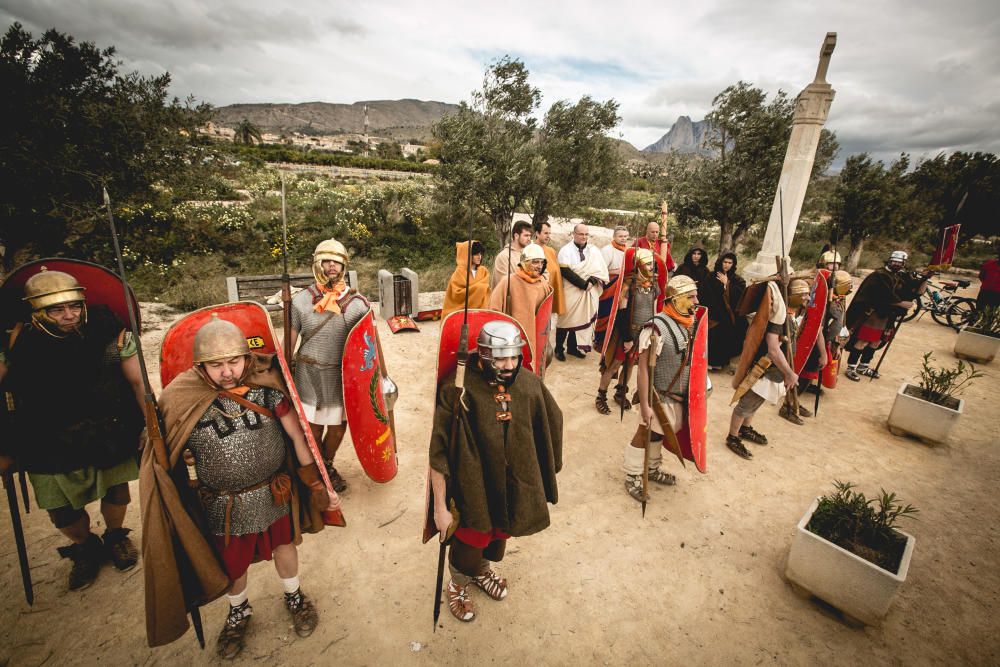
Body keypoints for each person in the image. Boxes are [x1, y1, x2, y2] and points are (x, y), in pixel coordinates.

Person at [149, 316, 338, 658]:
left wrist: (313, 481)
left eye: (234, 361)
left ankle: (293, 594)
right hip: (223, 503)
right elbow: (164, 454)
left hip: (273, 491)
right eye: (216, 365)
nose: (227, 372)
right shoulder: (181, 398)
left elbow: (297, 436)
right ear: (199, 365)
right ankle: (238, 610)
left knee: (284, 546)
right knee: (232, 565)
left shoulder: (267, 389)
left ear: (246, 358)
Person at [0, 268, 144, 591]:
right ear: (37, 312)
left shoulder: (109, 330)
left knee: (117, 489)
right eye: (57, 309)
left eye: (74, 306)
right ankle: (85, 547)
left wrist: (150, 422)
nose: (69, 315)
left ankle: (115, 535)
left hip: (106, 427)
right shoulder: (18, 341)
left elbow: (137, 381)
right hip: (45, 436)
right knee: (61, 508)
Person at [428, 320, 562, 622]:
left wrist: (543, 469)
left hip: (513, 484)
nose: (509, 364)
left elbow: (551, 421)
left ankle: (482, 572)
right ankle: (458, 584)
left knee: (500, 532)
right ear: (484, 355)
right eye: (501, 357)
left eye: (514, 357)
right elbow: (438, 453)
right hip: (474, 486)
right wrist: (440, 508)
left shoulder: (528, 383)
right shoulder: (458, 388)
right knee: (472, 539)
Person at [287, 239, 370, 492]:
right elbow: (287, 345)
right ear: (317, 264)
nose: (331, 265)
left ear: (344, 265)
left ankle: (325, 463)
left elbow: (368, 348)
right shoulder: (300, 301)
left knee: (337, 427)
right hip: (309, 373)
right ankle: (319, 470)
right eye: (326, 260)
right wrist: (284, 371)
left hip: (340, 377)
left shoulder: (358, 304)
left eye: (336, 260)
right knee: (312, 427)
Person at [624, 275, 699, 501]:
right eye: (691, 296)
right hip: (658, 394)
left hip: (677, 392)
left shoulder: (686, 323)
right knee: (646, 431)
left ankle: (652, 467)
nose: (696, 301)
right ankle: (633, 474)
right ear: (676, 299)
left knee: (660, 432)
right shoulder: (655, 328)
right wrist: (646, 405)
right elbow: (644, 369)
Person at [727, 280, 798, 460]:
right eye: (802, 293)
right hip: (763, 367)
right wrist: (789, 373)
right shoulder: (777, 319)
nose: (806, 297)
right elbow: (773, 349)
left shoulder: (789, 315)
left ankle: (745, 428)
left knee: (756, 402)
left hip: (772, 370)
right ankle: (733, 437)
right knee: (746, 404)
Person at [595, 248, 665, 415]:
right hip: (625, 333)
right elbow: (621, 314)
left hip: (642, 333)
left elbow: (654, 309)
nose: (651, 267)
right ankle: (601, 396)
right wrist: (627, 338)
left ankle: (620, 392)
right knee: (613, 365)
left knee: (630, 364)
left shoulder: (653, 285)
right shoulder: (629, 285)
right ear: (639, 265)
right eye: (648, 264)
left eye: (652, 264)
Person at [843, 250, 926, 381]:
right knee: (863, 340)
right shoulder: (879, 275)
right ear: (890, 260)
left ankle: (863, 366)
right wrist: (900, 303)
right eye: (894, 261)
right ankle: (851, 367)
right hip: (873, 314)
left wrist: (926, 277)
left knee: (877, 341)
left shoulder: (900, 276)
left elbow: (916, 291)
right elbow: (881, 294)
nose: (897, 264)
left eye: (900, 262)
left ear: (904, 263)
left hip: (888, 315)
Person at [490, 243, 553, 362]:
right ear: (525, 262)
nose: (539, 266)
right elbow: (494, 310)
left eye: (541, 262)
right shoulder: (508, 281)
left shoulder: (543, 285)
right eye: (535, 262)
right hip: (511, 340)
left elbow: (545, 318)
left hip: (534, 339)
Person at [555, 224, 609, 360]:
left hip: (588, 290)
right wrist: (583, 284)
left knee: (579, 318)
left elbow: (599, 270)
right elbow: (565, 271)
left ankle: (572, 348)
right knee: (565, 320)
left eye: (586, 234)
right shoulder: (565, 250)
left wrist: (591, 281)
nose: (584, 237)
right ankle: (559, 349)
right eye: (581, 234)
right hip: (571, 290)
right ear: (573, 234)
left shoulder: (594, 251)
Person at [778, 278, 824, 424]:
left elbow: (817, 329)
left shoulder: (810, 307)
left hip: (805, 347)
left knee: (805, 377)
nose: (808, 298)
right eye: (804, 295)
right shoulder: (787, 311)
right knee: (794, 376)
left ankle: (794, 402)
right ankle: (788, 406)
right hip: (792, 348)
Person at [700, 252, 747, 371]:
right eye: (725, 262)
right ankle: (708, 362)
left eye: (730, 263)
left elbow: (740, 297)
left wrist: (727, 284)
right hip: (713, 313)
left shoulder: (737, 280)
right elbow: (705, 295)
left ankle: (719, 363)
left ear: (733, 264)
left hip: (728, 316)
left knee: (727, 333)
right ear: (720, 262)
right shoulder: (711, 277)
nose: (727, 265)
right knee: (712, 333)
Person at [594, 226, 630, 356]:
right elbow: (601, 271)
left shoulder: (628, 251)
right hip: (608, 288)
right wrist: (618, 272)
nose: (623, 239)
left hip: (622, 288)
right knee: (604, 314)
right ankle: (599, 340)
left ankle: (611, 340)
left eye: (626, 236)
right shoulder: (607, 250)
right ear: (614, 237)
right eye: (621, 236)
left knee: (617, 314)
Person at [442, 240, 490, 319]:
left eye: (480, 254)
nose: (479, 257)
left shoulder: (483, 271)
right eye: (476, 254)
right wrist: (479, 288)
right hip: (461, 314)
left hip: (480, 313)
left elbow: (487, 293)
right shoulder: (459, 272)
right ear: (467, 255)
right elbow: (457, 294)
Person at [534, 220, 566, 317]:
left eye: (549, 233)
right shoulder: (531, 250)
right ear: (537, 233)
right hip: (537, 297)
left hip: (550, 297)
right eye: (545, 233)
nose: (548, 236)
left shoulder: (551, 251)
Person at [492, 221, 533, 290]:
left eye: (530, 236)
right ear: (516, 236)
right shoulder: (504, 256)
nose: (529, 239)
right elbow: (503, 284)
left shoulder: (527, 255)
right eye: (526, 235)